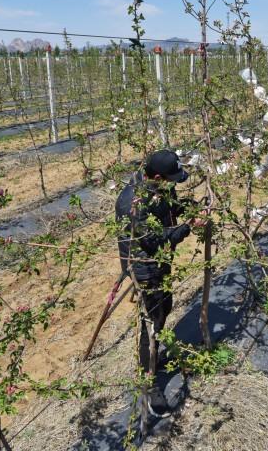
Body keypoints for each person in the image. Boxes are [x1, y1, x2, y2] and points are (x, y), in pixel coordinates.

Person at [115, 149, 196, 416]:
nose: (173, 184)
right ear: (158, 176)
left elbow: (170, 207)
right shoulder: (133, 202)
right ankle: (147, 380)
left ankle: (153, 355)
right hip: (145, 268)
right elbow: (152, 241)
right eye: (171, 179)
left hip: (160, 264)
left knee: (163, 310)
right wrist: (186, 228)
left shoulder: (158, 185)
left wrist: (189, 208)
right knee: (150, 322)